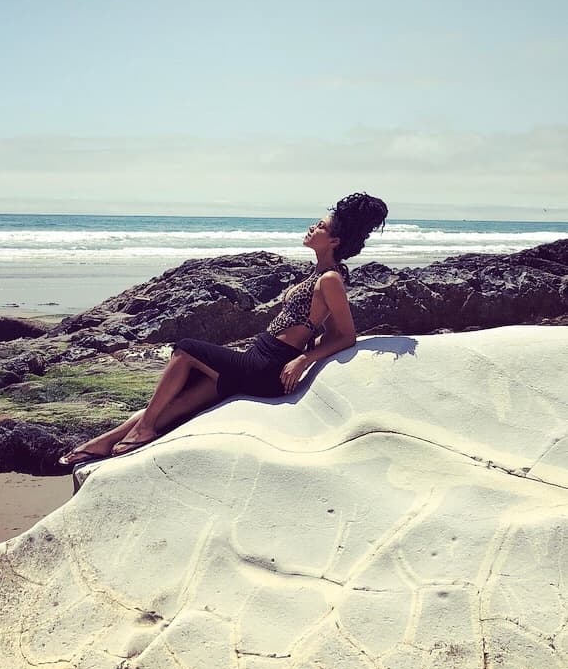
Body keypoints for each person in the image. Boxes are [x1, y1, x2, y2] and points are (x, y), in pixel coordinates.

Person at [58, 192, 388, 468]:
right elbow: (324, 327)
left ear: (333, 241)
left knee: (186, 348)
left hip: (266, 367)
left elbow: (346, 335)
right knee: (173, 404)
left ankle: (143, 429)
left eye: (319, 226)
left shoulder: (330, 279)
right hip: (255, 360)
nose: (311, 228)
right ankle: (99, 445)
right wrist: (309, 345)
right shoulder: (316, 274)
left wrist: (304, 360)